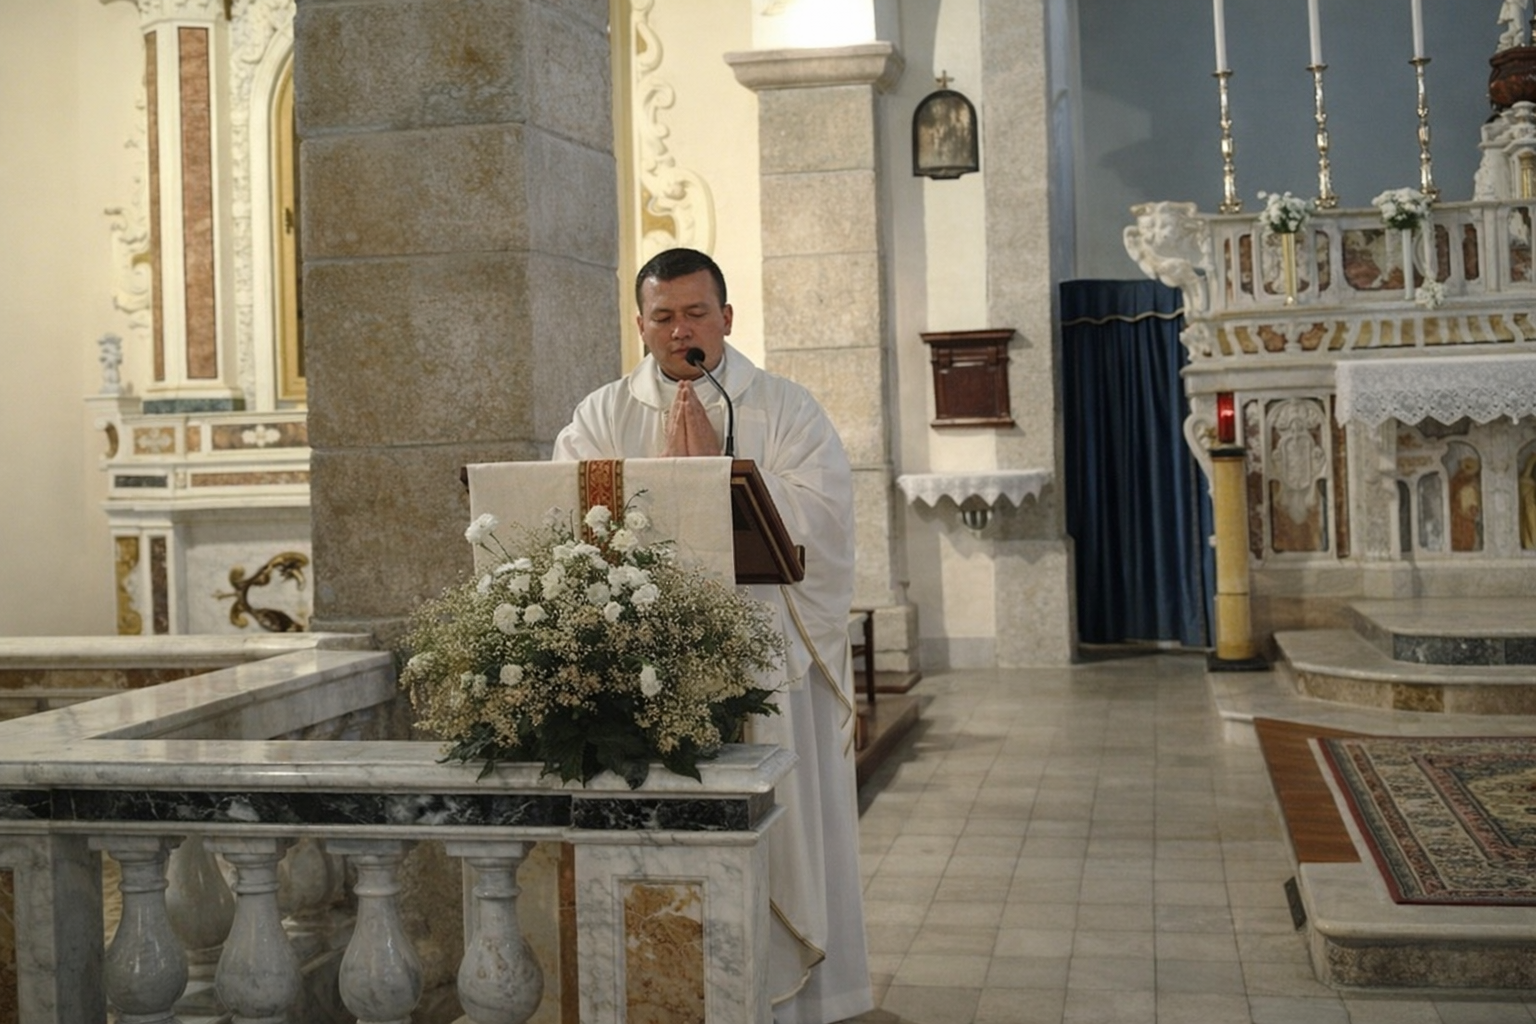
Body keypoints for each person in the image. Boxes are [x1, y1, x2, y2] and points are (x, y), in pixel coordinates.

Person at [552, 247, 873, 1024]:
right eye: (662, 317)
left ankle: (789, 1000)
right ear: (640, 325)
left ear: (726, 318)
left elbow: (823, 521)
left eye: (696, 313)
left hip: (765, 652)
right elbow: (565, 513)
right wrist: (661, 489)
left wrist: (729, 480)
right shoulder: (603, 413)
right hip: (643, 664)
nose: (680, 330)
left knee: (780, 824)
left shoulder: (786, 407)